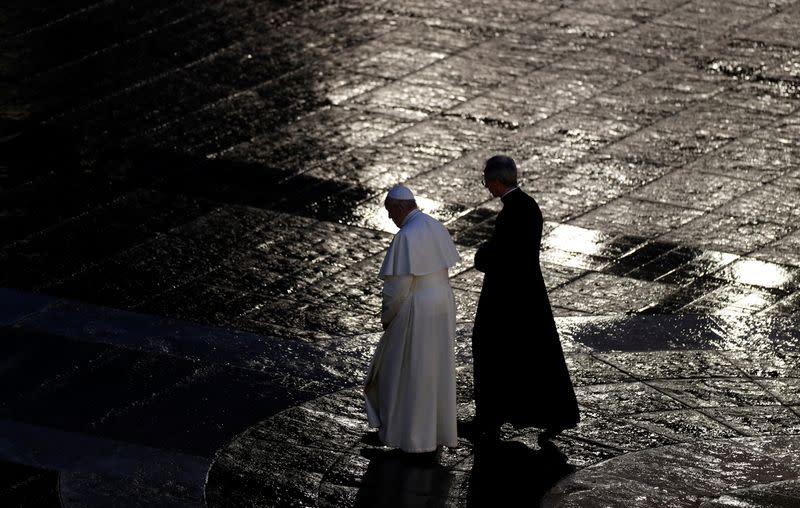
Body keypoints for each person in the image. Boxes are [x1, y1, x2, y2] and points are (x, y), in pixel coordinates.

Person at [470, 155, 579, 441]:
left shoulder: (510, 213)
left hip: (506, 296)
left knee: (492, 349)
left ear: (496, 181)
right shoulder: (529, 206)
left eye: (486, 181)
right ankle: (552, 415)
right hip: (528, 294)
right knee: (536, 356)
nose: (487, 187)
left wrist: (481, 255)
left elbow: (499, 254)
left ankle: (491, 416)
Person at [363, 184, 461, 454]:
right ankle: (435, 434)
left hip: (417, 306)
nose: (389, 217)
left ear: (399, 207)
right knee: (435, 370)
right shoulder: (435, 225)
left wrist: (387, 316)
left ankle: (404, 435)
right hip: (443, 301)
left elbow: (397, 289)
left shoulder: (406, 236)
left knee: (401, 371)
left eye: (389, 211)